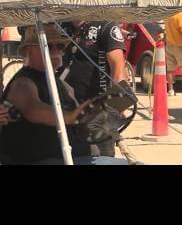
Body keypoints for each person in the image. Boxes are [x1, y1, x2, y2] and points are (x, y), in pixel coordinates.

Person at [0, 25, 128, 165]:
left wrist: (102, 114)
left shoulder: (61, 84)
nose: (56, 51)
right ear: (28, 51)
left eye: (60, 46)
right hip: (41, 159)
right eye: (48, 46)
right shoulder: (23, 82)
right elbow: (33, 109)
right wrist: (70, 116)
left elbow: (81, 118)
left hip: (73, 155)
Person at [58, 0, 128, 158]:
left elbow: (118, 66)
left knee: (101, 160)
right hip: (60, 114)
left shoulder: (106, 25)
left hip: (96, 116)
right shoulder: (54, 24)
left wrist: (114, 107)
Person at [164, 12, 182, 96]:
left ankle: (170, 90)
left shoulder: (168, 15)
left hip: (169, 45)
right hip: (180, 45)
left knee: (170, 69)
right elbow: (181, 28)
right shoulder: (180, 14)